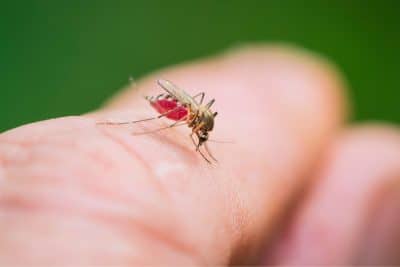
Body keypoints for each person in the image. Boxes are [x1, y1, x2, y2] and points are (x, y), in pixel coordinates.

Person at [0, 45, 399, 265]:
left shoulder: (202, 124)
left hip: (186, 107)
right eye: (203, 134)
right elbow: (195, 116)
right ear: (202, 126)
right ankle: (130, 124)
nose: (201, 137)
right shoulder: (195, 117)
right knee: (176, 120)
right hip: (178, 104)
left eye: (202, 134)